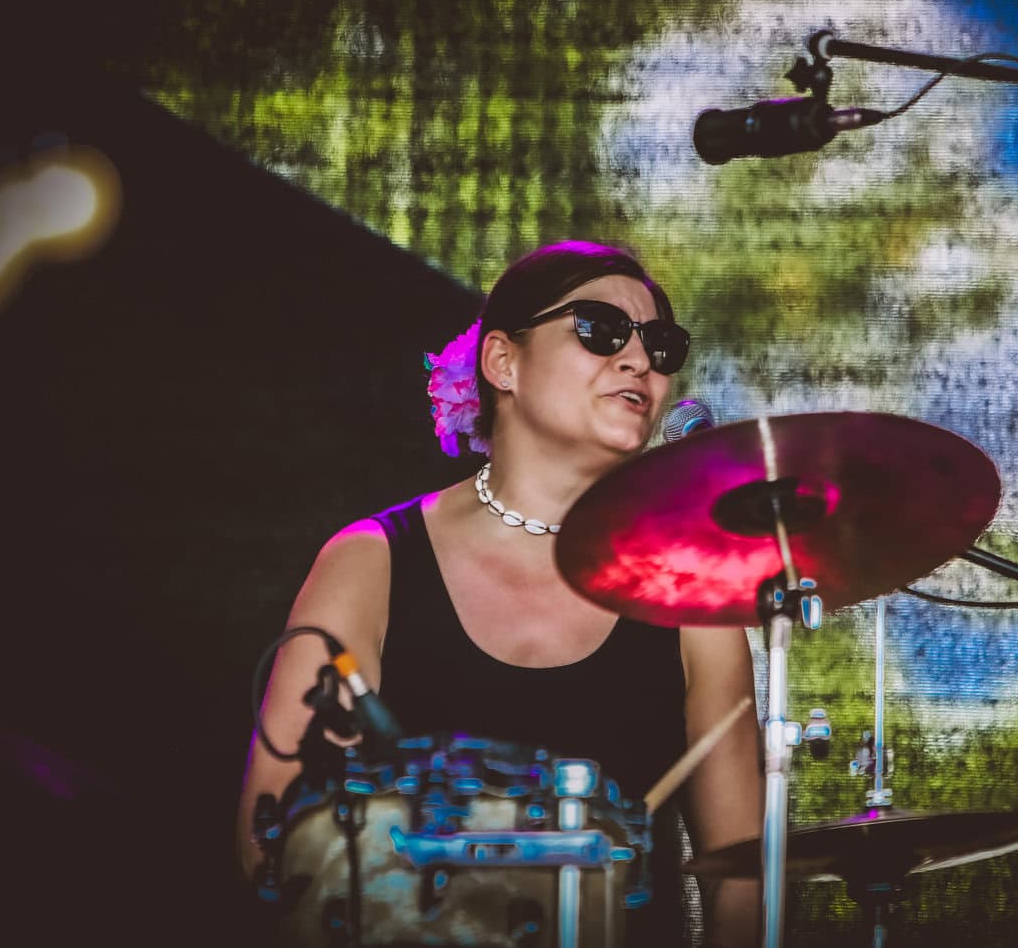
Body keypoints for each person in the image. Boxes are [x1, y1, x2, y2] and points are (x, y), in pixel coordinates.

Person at [237, 240, 763, 947]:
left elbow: (744, 878)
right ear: (502, 361)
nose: (640, 359)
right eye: (601, 329)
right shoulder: (370, 561)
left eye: (661, 344)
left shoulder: (691, 591)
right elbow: (274, 839)